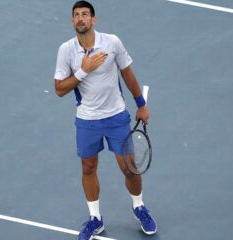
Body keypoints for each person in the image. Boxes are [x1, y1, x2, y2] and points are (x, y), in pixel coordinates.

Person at [53, 1, 157, 239]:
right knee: (88, 167)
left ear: (93, 20)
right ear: (72, 22)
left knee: (129, 167)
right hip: (87, 120)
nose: (80, 18)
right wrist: (83, 70)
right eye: (76, 15)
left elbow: (127, 73)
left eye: (85, 15)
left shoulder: (112, 42)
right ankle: (95, 219)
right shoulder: (66, 50)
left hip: (116, 117)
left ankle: (139, 207)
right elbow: (59, 89)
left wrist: (141, 104)